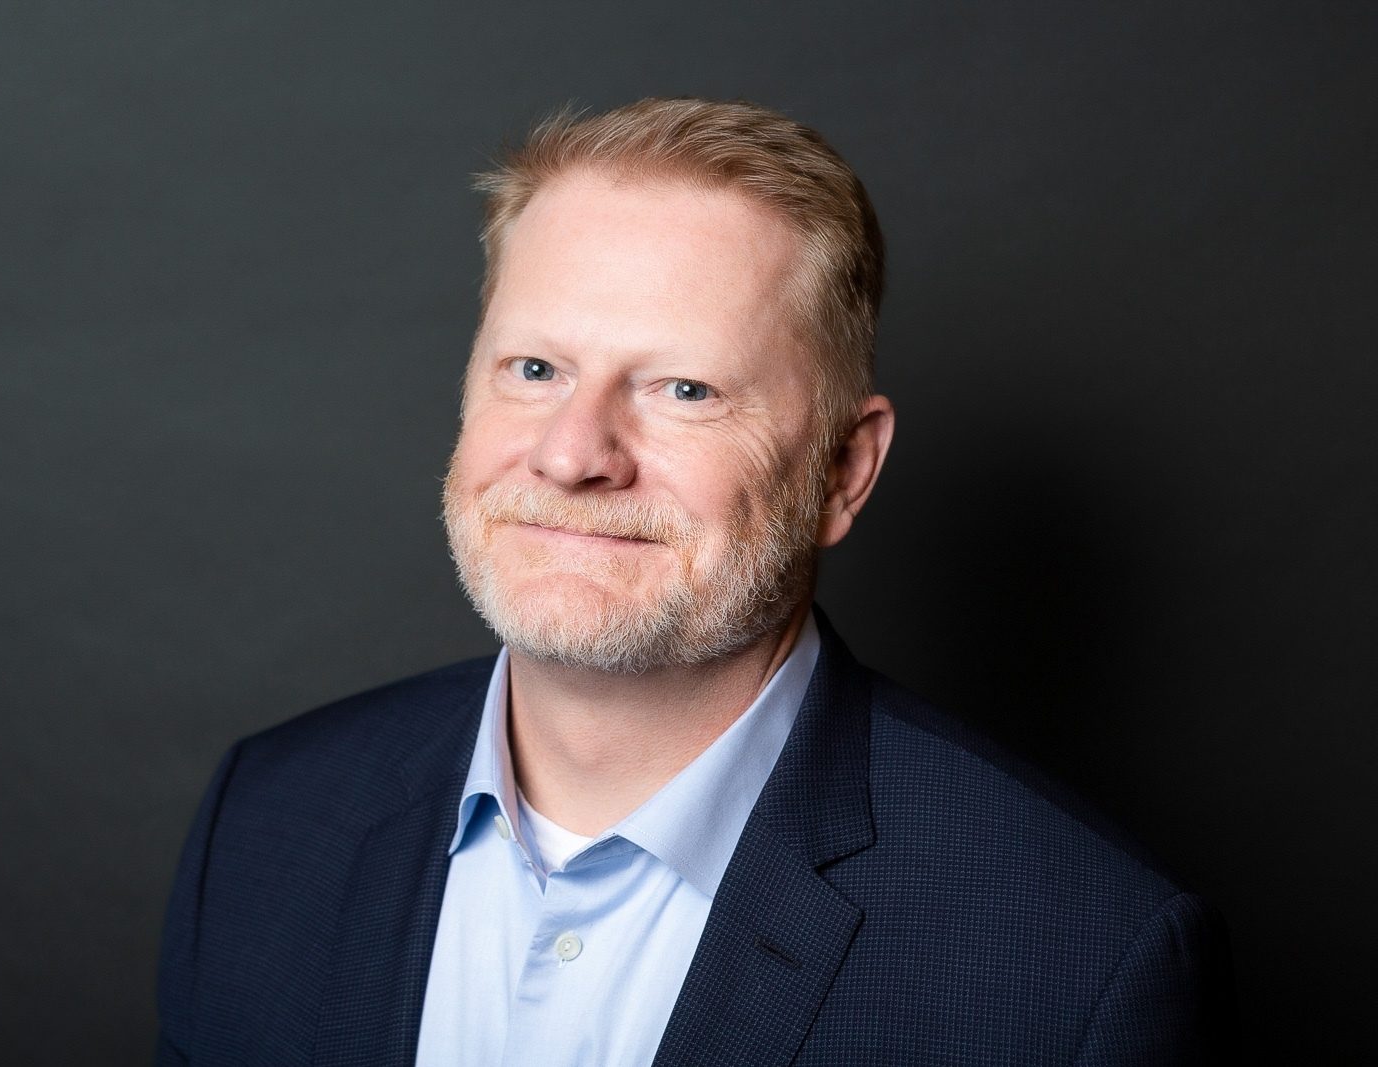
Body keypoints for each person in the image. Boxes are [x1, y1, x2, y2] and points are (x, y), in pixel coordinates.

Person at [156, 98, 1234, 1066]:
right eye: (535, 369)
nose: (574, 454)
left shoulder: (1073, 960)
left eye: (683, 387)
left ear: (842, 473)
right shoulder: (266, 820)